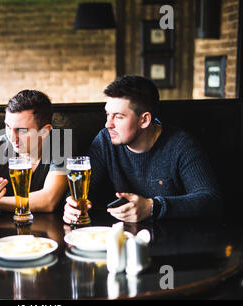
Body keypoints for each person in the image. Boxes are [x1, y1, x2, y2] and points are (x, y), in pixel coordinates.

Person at [63, 75, 222, 224]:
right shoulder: (105, 140)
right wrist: (72, 205)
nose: (108, 124)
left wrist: (152, 207)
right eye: (107, 115)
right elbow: (87, 189)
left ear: (144, 120)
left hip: (175, 240)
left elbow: (210, 199)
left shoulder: (181, 145)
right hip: (121, 238)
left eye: (118, 116)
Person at [0, 89, 68, 215]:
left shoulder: (61, 142)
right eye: (8, 127)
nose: (12, 137)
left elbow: (48, 201)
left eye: (22, 130)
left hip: (49, 230)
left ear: (45, 131)